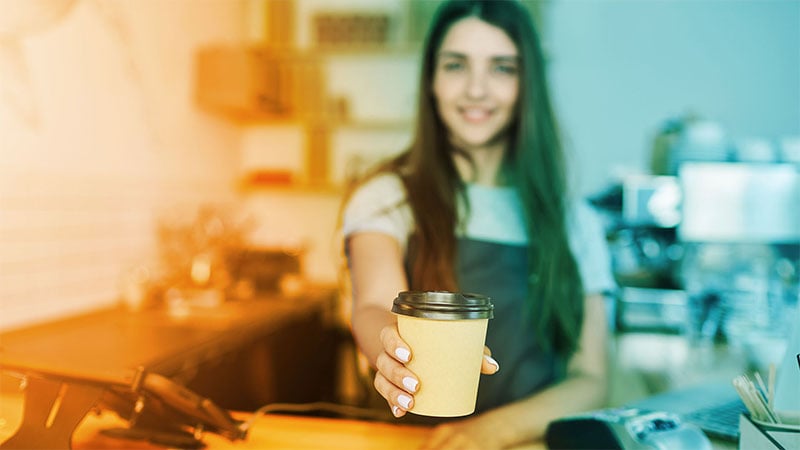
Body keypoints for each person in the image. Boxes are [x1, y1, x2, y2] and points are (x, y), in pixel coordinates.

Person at [339, 1, 616, 448]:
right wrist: (390, 352)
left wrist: (489, 433)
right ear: (431, 80)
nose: (476, 89)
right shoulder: (386, 197)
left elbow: (590, 378)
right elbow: (372, 305)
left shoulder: (573, 221)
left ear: (528, 84)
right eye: (455, 65)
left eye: (502, 68)